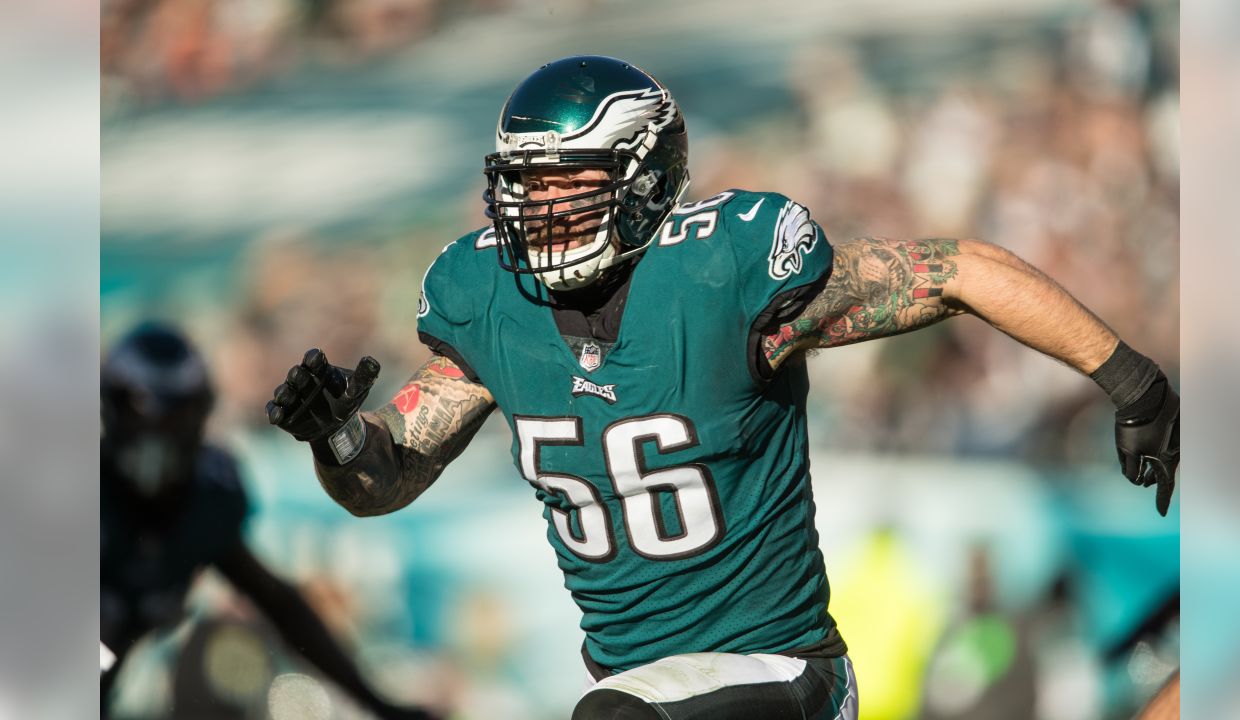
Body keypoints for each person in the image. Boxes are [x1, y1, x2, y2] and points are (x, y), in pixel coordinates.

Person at [264, 55, 1180, 719]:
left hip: (782, 675)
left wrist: (1133, 382)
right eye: (525, 190)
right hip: (644, 695)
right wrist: (337, 437)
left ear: (644, 176)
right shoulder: (495, 306)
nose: (540, 214)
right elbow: (381, 483)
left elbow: (959, 270)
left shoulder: (720, 276)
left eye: (567, 185)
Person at [101, 322, 433, 720]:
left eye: (175, 419)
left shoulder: (206, 501)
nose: (158, 438)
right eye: (143, 418)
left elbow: (281, 606)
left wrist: (379, 704)